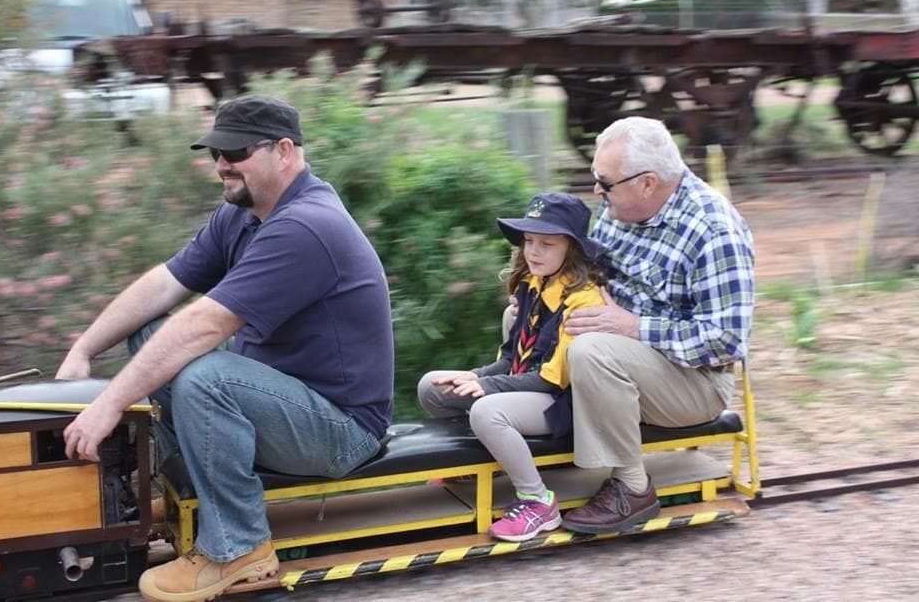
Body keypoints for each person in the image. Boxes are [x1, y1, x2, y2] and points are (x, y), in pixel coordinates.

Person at [56, 95, 394, 602]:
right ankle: (198, 487)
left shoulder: (305, 226)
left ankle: (239, 550)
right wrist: (82, 350)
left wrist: (108, 404)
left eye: (235, 152)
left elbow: (204, 324)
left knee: (203, 373)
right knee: (150, 334)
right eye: (216, 152)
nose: (221, 165)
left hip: (340, 428)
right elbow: (166, 285)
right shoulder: (242, 213)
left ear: (283, 151)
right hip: (280, 405)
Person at [558, 116, 755, 534]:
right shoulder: (619, 207)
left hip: (695, 382)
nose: (597, 190)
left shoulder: (713, 231)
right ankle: (537, 438)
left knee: (591, 350)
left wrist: (633, 327)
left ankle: (632, 489)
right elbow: (596, 271)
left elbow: (725, 341)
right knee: (533, 316)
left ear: (647, 183)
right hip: (630, 355)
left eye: (605, 182)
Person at [418, 192, 607, 542]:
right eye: (529, 241)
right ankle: (479, 469)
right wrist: (475, 376)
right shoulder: (532, 284)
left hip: (567, 405)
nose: (533, 251)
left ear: (572, 249)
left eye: (546, 244)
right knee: (432, 387)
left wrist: (488, 388)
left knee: (488, 412)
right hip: (530, 389)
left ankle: (538, 502)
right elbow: (511, 359)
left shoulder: (583, 301)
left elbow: (554, 381)